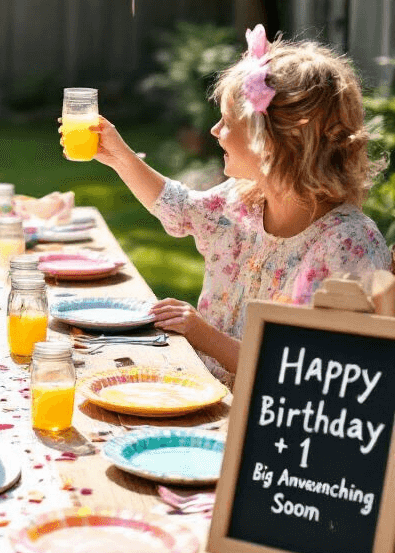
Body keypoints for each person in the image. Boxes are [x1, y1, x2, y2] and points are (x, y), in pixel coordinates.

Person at [78, 26, 391, 385]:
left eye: (226, 122)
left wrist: (203, 334)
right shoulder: (242, 200)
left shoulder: (347, 249)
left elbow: (312, 378)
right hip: (199, 391)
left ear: (270, 143)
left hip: (263, 425)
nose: (214, 131)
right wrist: (121, 158)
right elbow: (179, 209)